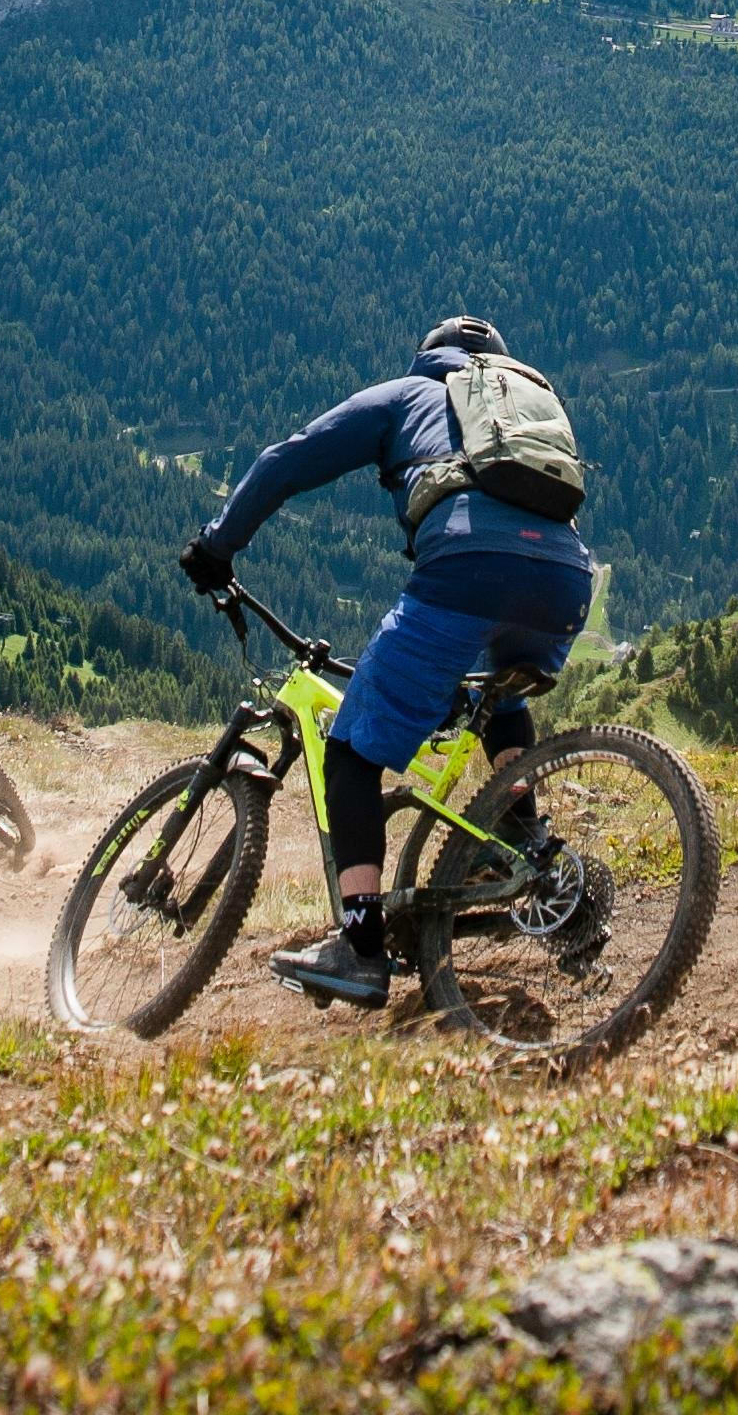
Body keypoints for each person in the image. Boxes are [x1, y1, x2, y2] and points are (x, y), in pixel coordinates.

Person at [179, 316, 590, 1008]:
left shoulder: (409, 394)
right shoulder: (525, 408)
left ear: (428, 358)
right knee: (502, 700)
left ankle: (360, 945)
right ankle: (535, 856)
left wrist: (217, 546)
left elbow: (289, 459)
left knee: (352, 751)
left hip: (466, 566)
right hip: (566, 579)